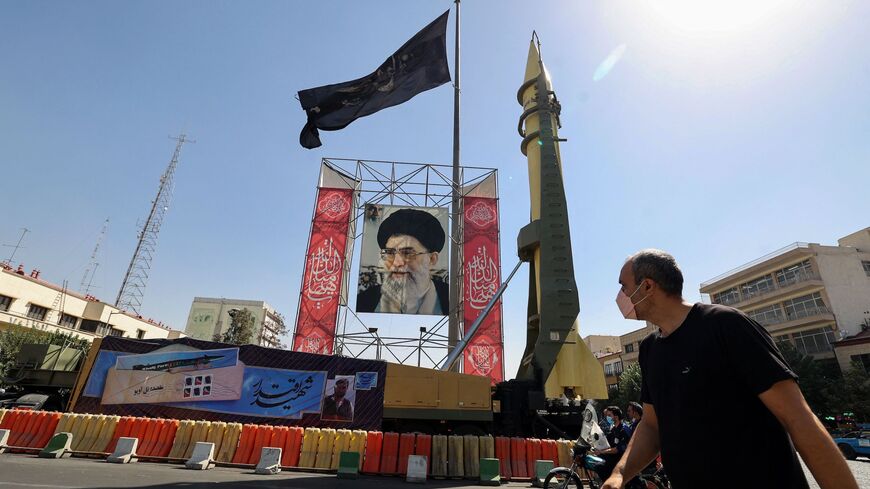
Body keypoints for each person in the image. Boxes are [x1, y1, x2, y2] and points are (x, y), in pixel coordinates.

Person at [602, 249, 858, 489]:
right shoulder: (650, 349)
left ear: (647, 286)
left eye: (624, 287)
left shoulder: (727, 326)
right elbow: (651, 425)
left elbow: (798, 419)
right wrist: (620, 474)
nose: (620, 296)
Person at [357, 208, 448, 315]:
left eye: (407, 253)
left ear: (432, 259)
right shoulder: (363, 301)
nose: (396, 262)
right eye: (390, 252)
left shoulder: (453, 300)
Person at [592, 406, 632, 481]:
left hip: (622, 460)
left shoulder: (624, 430)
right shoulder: (613, 429)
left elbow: (617, 449)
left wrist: (601, 451)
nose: (607, 417)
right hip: (614, 457)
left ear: (616, 417)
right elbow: (607, 444)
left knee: (599, 466)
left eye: (609, 415)